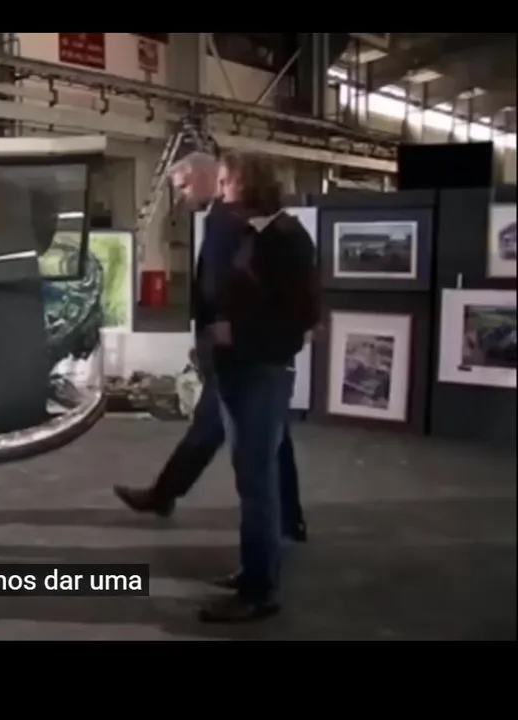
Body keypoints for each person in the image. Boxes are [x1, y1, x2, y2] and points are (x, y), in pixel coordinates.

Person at [113, 153, 307, 551]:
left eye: (186, 186)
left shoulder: (235, 221)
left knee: (237, 449)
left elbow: (225, 288)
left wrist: (218, 336)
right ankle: (286, 523)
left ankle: (266, 552)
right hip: (244, 352)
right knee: (256, 438)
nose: (183, 196)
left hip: (241, 354)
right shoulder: (246, 221)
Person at [199, 151, 320, 623]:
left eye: (227, 181)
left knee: (257, 483)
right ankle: (255, 571)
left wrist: (237, 335)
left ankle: (259, 590)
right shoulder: (255, 234)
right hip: (240, 371)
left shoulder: (286, 239)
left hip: (261, 373)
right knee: (251, 478)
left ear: (251, 184)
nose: (220, 190)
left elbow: (302, 319)